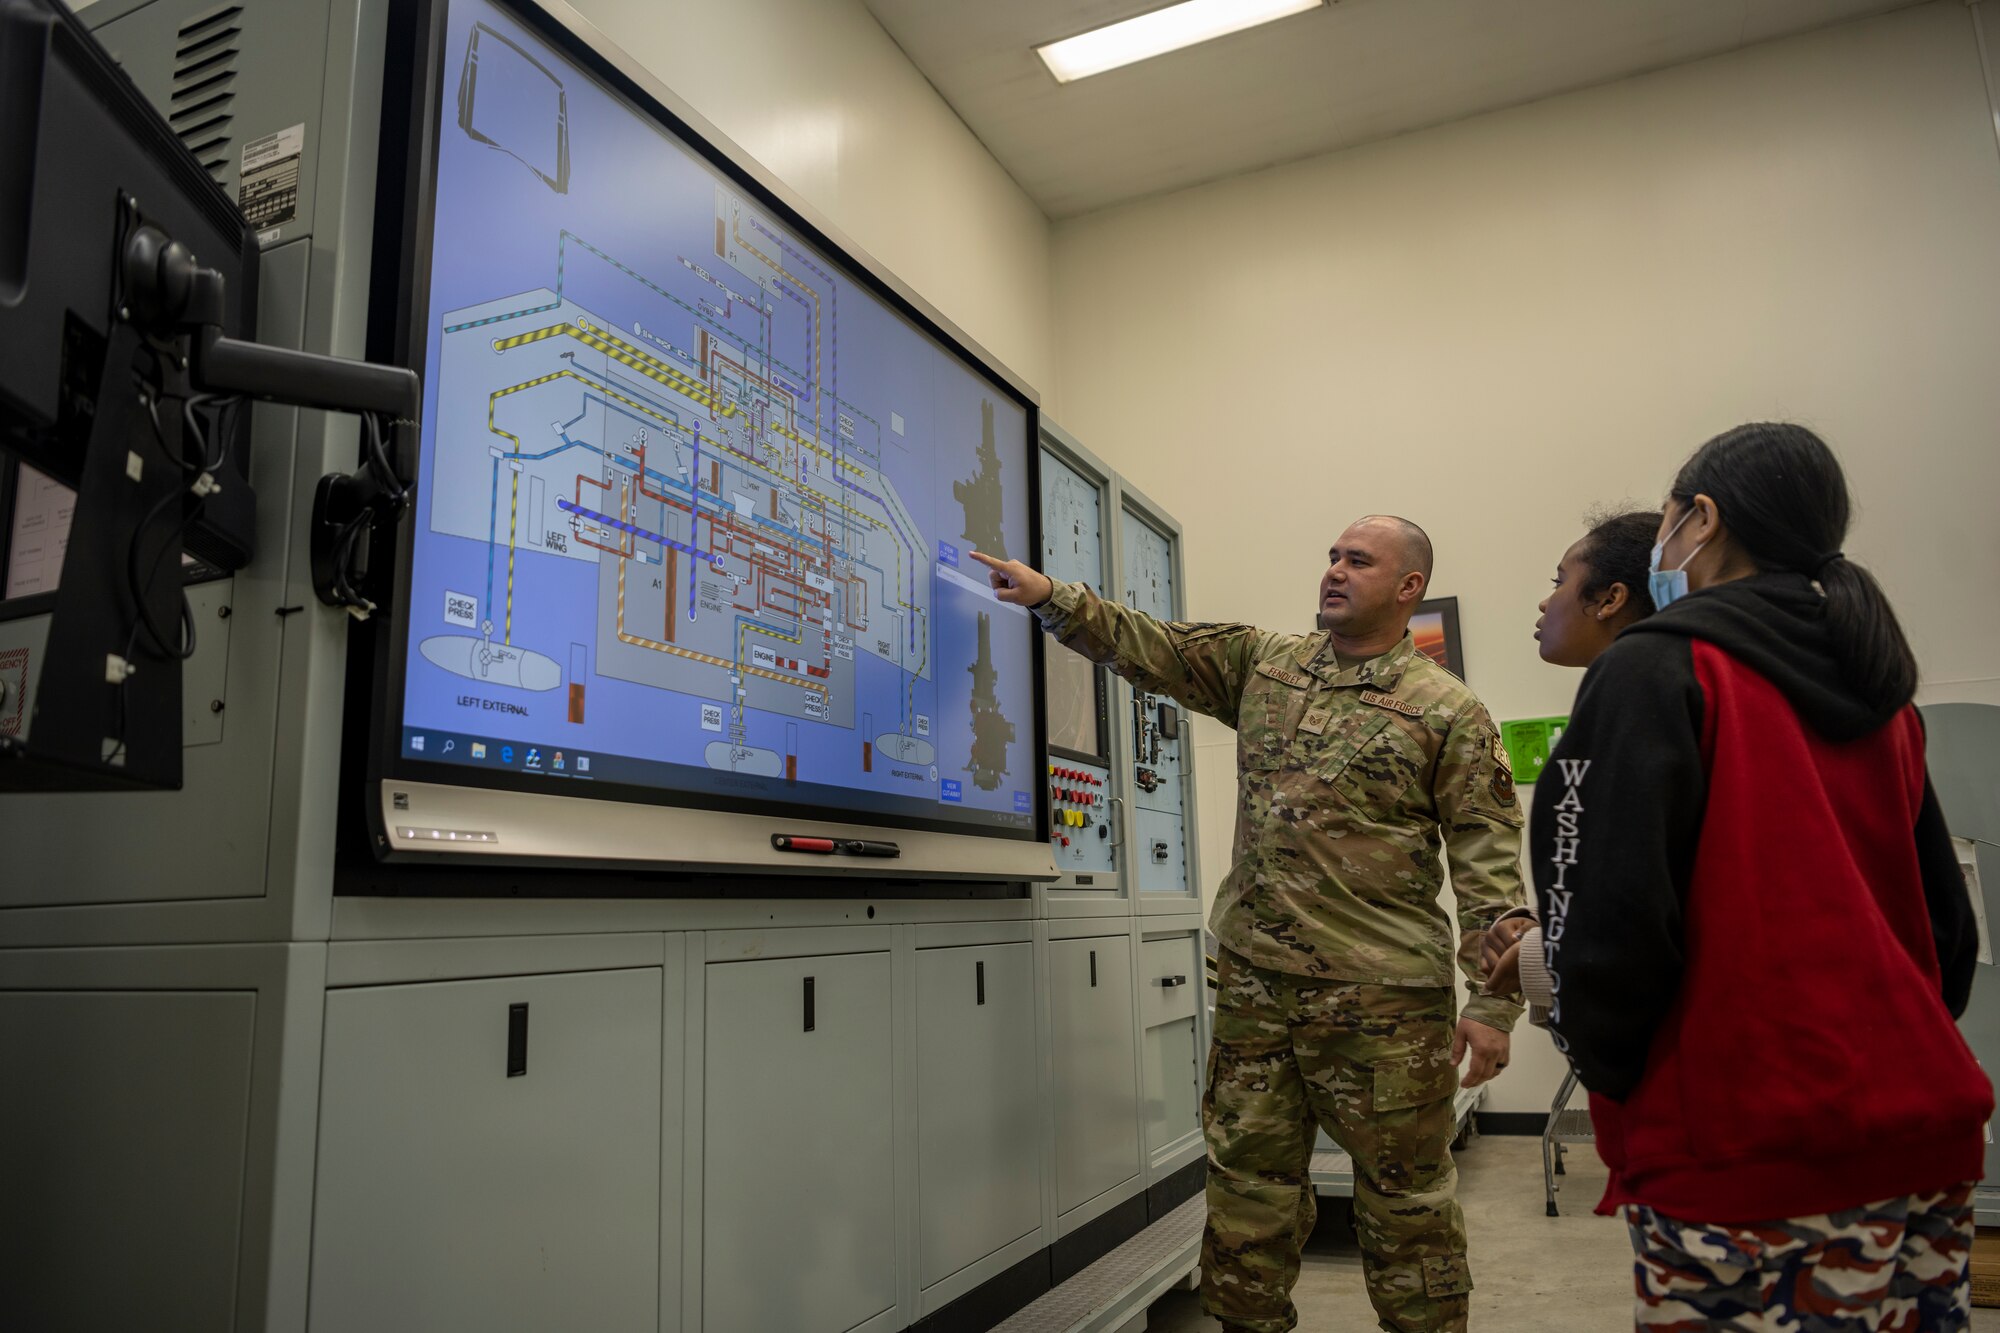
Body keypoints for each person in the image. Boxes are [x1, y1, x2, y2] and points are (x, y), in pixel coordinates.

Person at [971, 515, 1526, 1333]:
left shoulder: (1448, 711)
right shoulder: (1267, 664)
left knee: (1405, 1203)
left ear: (1408, 586)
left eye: (1359, 560)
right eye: (1332, 554)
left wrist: (1493, 1002)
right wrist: (1055, 598)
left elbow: (1489, 862)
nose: (1335, 569)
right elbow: (1153, 644)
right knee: (1244, 1193)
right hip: (1256, 992)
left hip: (1384, 1011)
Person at [1520, 423, 1988, 1330]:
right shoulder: (1879, 688)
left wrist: (1626, 1083)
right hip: (1922, 1138)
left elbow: (1611, 932)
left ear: (1702, 519)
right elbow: (1948, 936)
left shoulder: (1652, 671)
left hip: (1745, 1152)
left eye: (1666, 520)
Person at [1479, 509, 1662, 1007]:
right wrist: (1542, 928)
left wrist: (1541, 954)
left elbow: (1643, 902)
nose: (1546, 600)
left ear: (1609, 600)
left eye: (1559, 581)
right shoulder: (1618, 698)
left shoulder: (1644, 706)